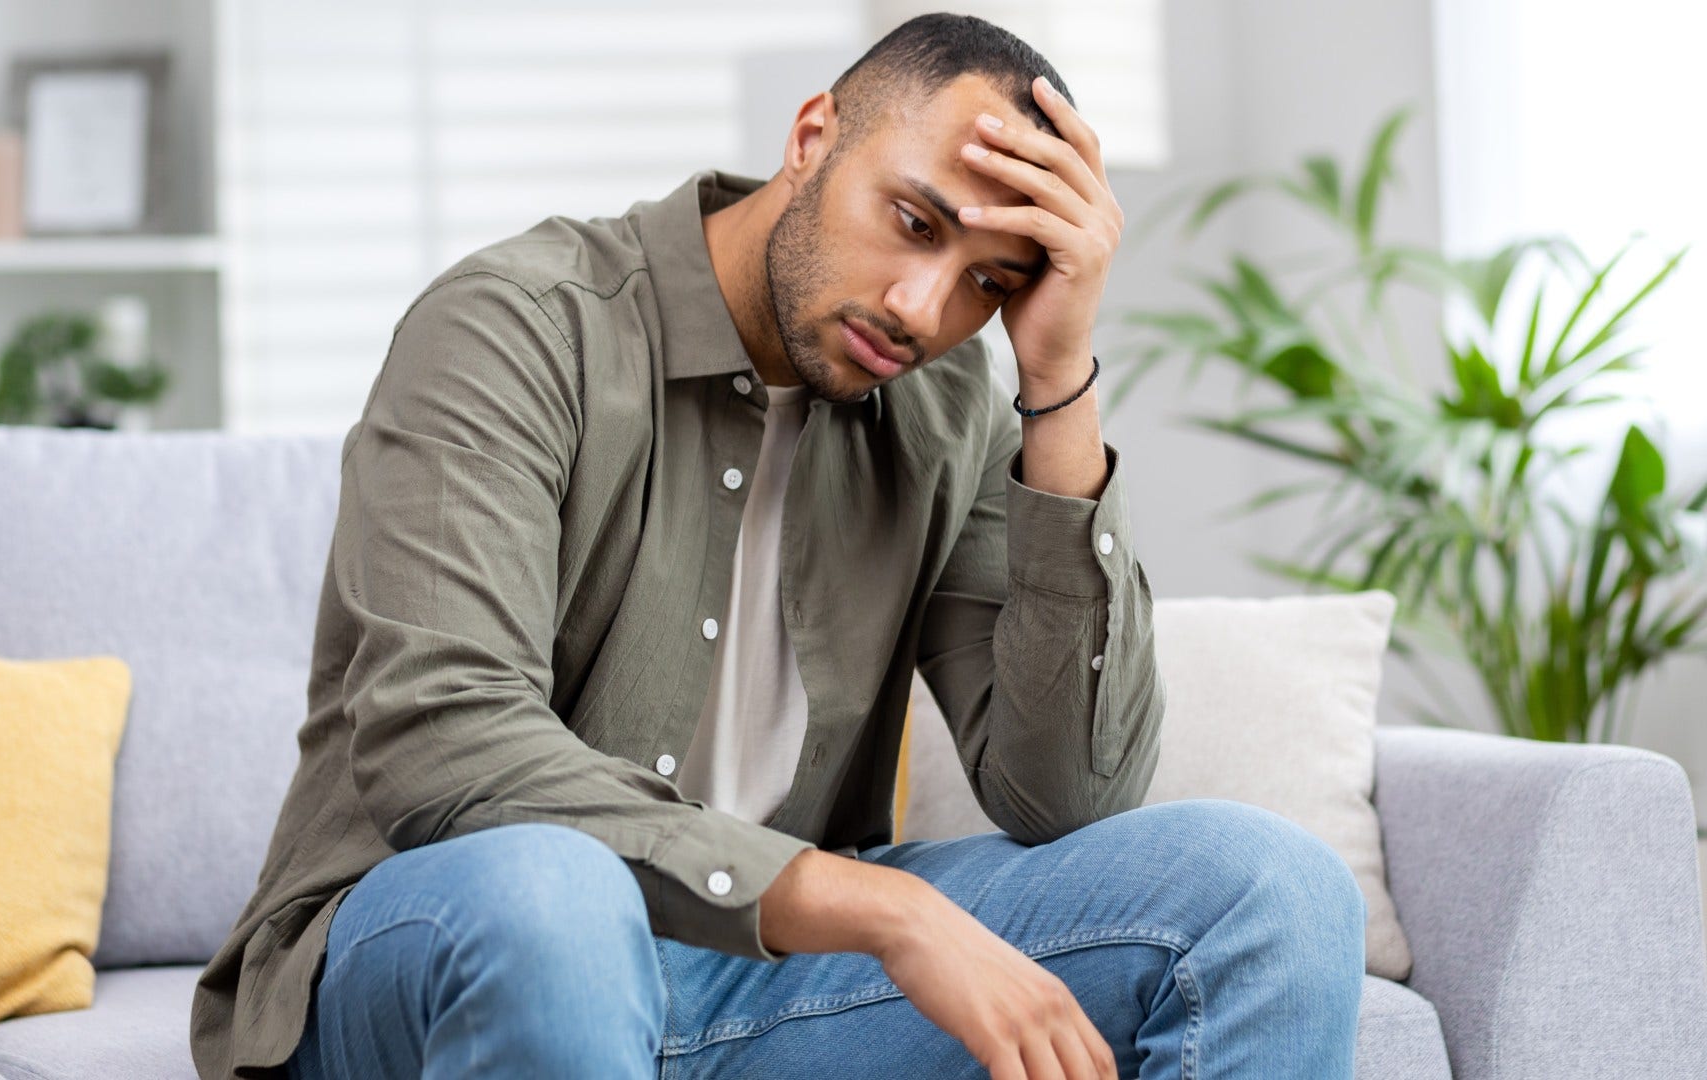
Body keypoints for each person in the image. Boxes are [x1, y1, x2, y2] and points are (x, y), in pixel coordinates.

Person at [189, 12, 1366, 1080]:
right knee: (556, 900)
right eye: (913, 223)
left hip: (756, 980)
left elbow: (1068, 795)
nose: (924, 308)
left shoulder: (950, 402)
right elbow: (443, 739)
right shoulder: (519, 326)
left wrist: (1055, 379)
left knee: (1273, 891)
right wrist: (884, 911)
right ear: (813, 136)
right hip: (449, 950)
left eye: (987, 284)